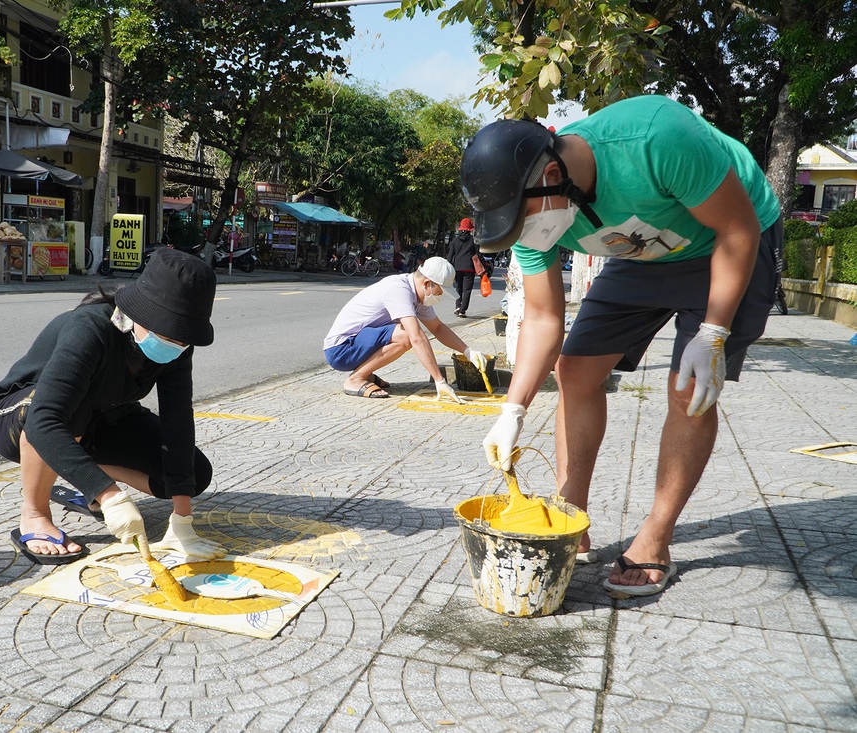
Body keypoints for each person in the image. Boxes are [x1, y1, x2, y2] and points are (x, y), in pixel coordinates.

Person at [460, 95, 782, 597]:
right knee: (575, 372)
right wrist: (513, 409)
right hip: (641, 250)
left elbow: (736, 228)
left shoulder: (655, 137)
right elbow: (545, 319)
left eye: (520, 221)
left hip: (730, 238)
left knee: (688, 386)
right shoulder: (535, 222)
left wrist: (713, 334)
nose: (525, 235)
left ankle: (656, 536)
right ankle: (572, 516)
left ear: (549, 177)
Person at [0, 248, 226, 564]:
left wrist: (182, 521)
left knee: (194, 473)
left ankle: (83, 475)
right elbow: (45, 419)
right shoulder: (91, 327)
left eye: (182, 339)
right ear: (138, 313)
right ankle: (35, 513)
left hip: (103, 417)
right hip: (21, 416)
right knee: (69, 412)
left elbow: (177, 420)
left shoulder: (177, 344)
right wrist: (110, 496)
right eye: (166, 333)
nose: (174, 344)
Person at [323, 256, 489, 400]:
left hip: (356, 344)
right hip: (341, 349)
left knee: (407, 332)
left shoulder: (418, 296)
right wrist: (439, 380)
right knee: (406, 335)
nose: (439, 298)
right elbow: (416, 337)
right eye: (440, 293)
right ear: (427, 284)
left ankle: (365, 373)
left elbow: (437, 328)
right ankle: (356, 379)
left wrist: (467, 351)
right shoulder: (399, 289)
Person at [446, 218, 478, 317]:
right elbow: (478, 254)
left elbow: (450, 256)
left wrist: (449, 267)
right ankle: (462, 311)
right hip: (469, 268)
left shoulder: (455, 241)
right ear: (470, 229)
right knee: (467, 290)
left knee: (458, 288)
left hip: (457, 268)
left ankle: (457, 306)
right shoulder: (473, 241)